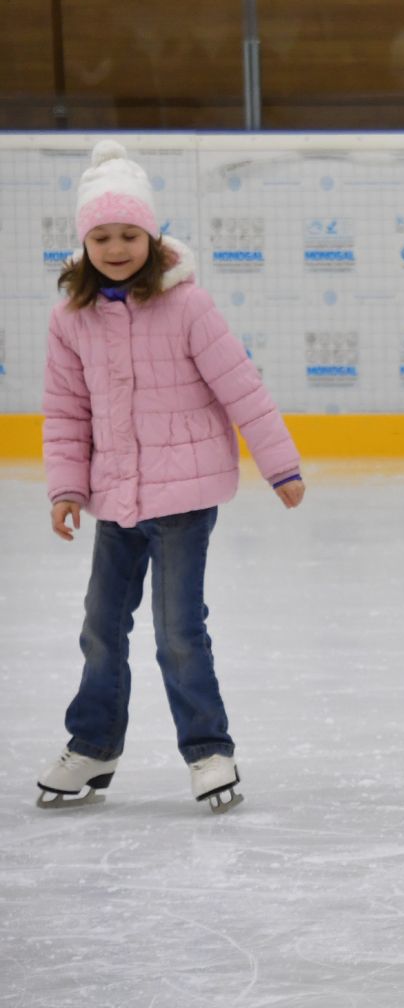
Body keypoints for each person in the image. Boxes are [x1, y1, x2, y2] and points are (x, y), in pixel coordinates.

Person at [36, 139, 305, 814]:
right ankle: (94, 745)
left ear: (152, 238)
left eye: (130, 234)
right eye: (102, 235)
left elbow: (242, 387)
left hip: (183, 498)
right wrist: (67, 488)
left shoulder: (187, 307)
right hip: (116, 499)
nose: (117, 246)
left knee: (178, 630)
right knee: (101, 626)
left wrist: (281, 466)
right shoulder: (71, 319)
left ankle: (208, 750)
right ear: (85, 242)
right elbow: (66, 412)